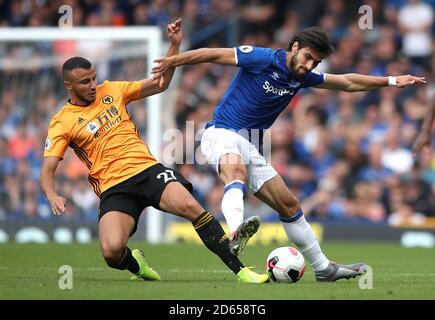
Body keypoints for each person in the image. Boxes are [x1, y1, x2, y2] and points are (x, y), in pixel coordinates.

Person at [152, 26, 426, 281]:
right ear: (294, 46)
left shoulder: (302, 78)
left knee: (290, 205)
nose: (309, 66)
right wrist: (172, 59)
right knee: (234, 172)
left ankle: (323, 269)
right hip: (220, 132)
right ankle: (235, 231)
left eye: (315, 63)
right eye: (307, 57)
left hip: (250, 144)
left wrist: (391, 80)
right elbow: (212, 54)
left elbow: (347, 82)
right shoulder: (262, 58)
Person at [39, 19, 268, 284]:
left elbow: (160, 84)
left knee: (192, 207)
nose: (92, 85)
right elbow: (47, 170)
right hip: (114, 187)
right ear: (69, 86)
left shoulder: (112, 90)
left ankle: (241, 271)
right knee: (111, 252)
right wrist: (52, 194)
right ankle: (138, 265)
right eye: (84, 82)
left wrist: (174, 45)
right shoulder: (61, 121)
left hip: (147, 170)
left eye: (93, 78)